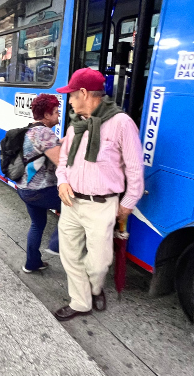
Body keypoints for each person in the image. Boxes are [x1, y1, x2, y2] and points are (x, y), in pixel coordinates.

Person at [54, 68, 144, 321]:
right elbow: (63, 163)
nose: (69, 100)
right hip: (71, 202)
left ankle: (95, 288)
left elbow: (135, 169)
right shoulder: (75, 126)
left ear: (84, 93)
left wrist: (127, 204)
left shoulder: (121, 124)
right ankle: (80, 302)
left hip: (102, 205)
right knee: (69, 256)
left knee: (99, 263)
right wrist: (61, 183)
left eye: (71, 95)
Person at [15, 94, 62, 273]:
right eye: (56, 112)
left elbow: (47, 149)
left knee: (37, 224)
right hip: (40, 190)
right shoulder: (45, 133)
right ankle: (56, 244)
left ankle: (32, 263)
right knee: (74, 205)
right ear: (47, 115)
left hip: (25, 189)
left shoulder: (31, 130)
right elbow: (61, 162)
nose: (58, 115)